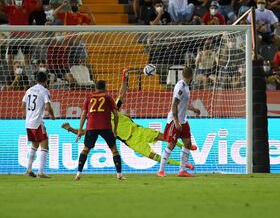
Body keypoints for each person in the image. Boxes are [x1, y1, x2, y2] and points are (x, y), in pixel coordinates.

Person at [62, 70, 196, 169]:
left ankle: (188, 146)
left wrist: (124, 79)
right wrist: (70, 129)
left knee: (166, 137)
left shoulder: (114, 108)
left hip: (138, 130)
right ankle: (184, 165)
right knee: (155, 156)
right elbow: (86, 131)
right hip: (131, 141)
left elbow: (122, 94)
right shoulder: (103, 122)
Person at [75, 80, 124, 180]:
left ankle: (78, 174)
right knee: (114, 149)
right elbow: (116, 114)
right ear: (105, 87)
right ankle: (119, 175)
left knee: (86, 149)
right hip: (105, 126)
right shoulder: (108, 97)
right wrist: (115, 129)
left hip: (91, 126)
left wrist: (80, 129)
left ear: (95, 87)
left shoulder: (89, 98)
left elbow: (84, 114)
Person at [158, 67, 200, 177]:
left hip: (183, 120)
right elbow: (174, 104)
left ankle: (182, 170)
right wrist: (176, 122)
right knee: (171, 144)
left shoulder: (185, 87)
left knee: (188, 143)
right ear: (191, 76)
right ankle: (161, 170)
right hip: (174, 120)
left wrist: (193, 109)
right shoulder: (181, 87)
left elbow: (183, 104)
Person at [22, 71, 55, 178]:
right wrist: (52, 115)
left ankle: (28, 170)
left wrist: (27, 116)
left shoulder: (29, 90)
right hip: (37, 122)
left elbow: (23, 104)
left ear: (36, 80)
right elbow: (48, 107)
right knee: (45, 145)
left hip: (29, 122)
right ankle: (41, 172)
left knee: (34, 145)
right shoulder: (44, 91)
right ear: (46, 80)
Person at [0, 0, 31, 72]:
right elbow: (1, 7)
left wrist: (38, 2)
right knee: (10, 57)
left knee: (27, 57)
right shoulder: (10, 8)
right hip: (14, 37)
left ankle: (28, 75)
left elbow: (37, 7)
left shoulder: (26, 8)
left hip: (25, 37)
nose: (19, 0)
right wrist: (2, 0)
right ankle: (12, 74)